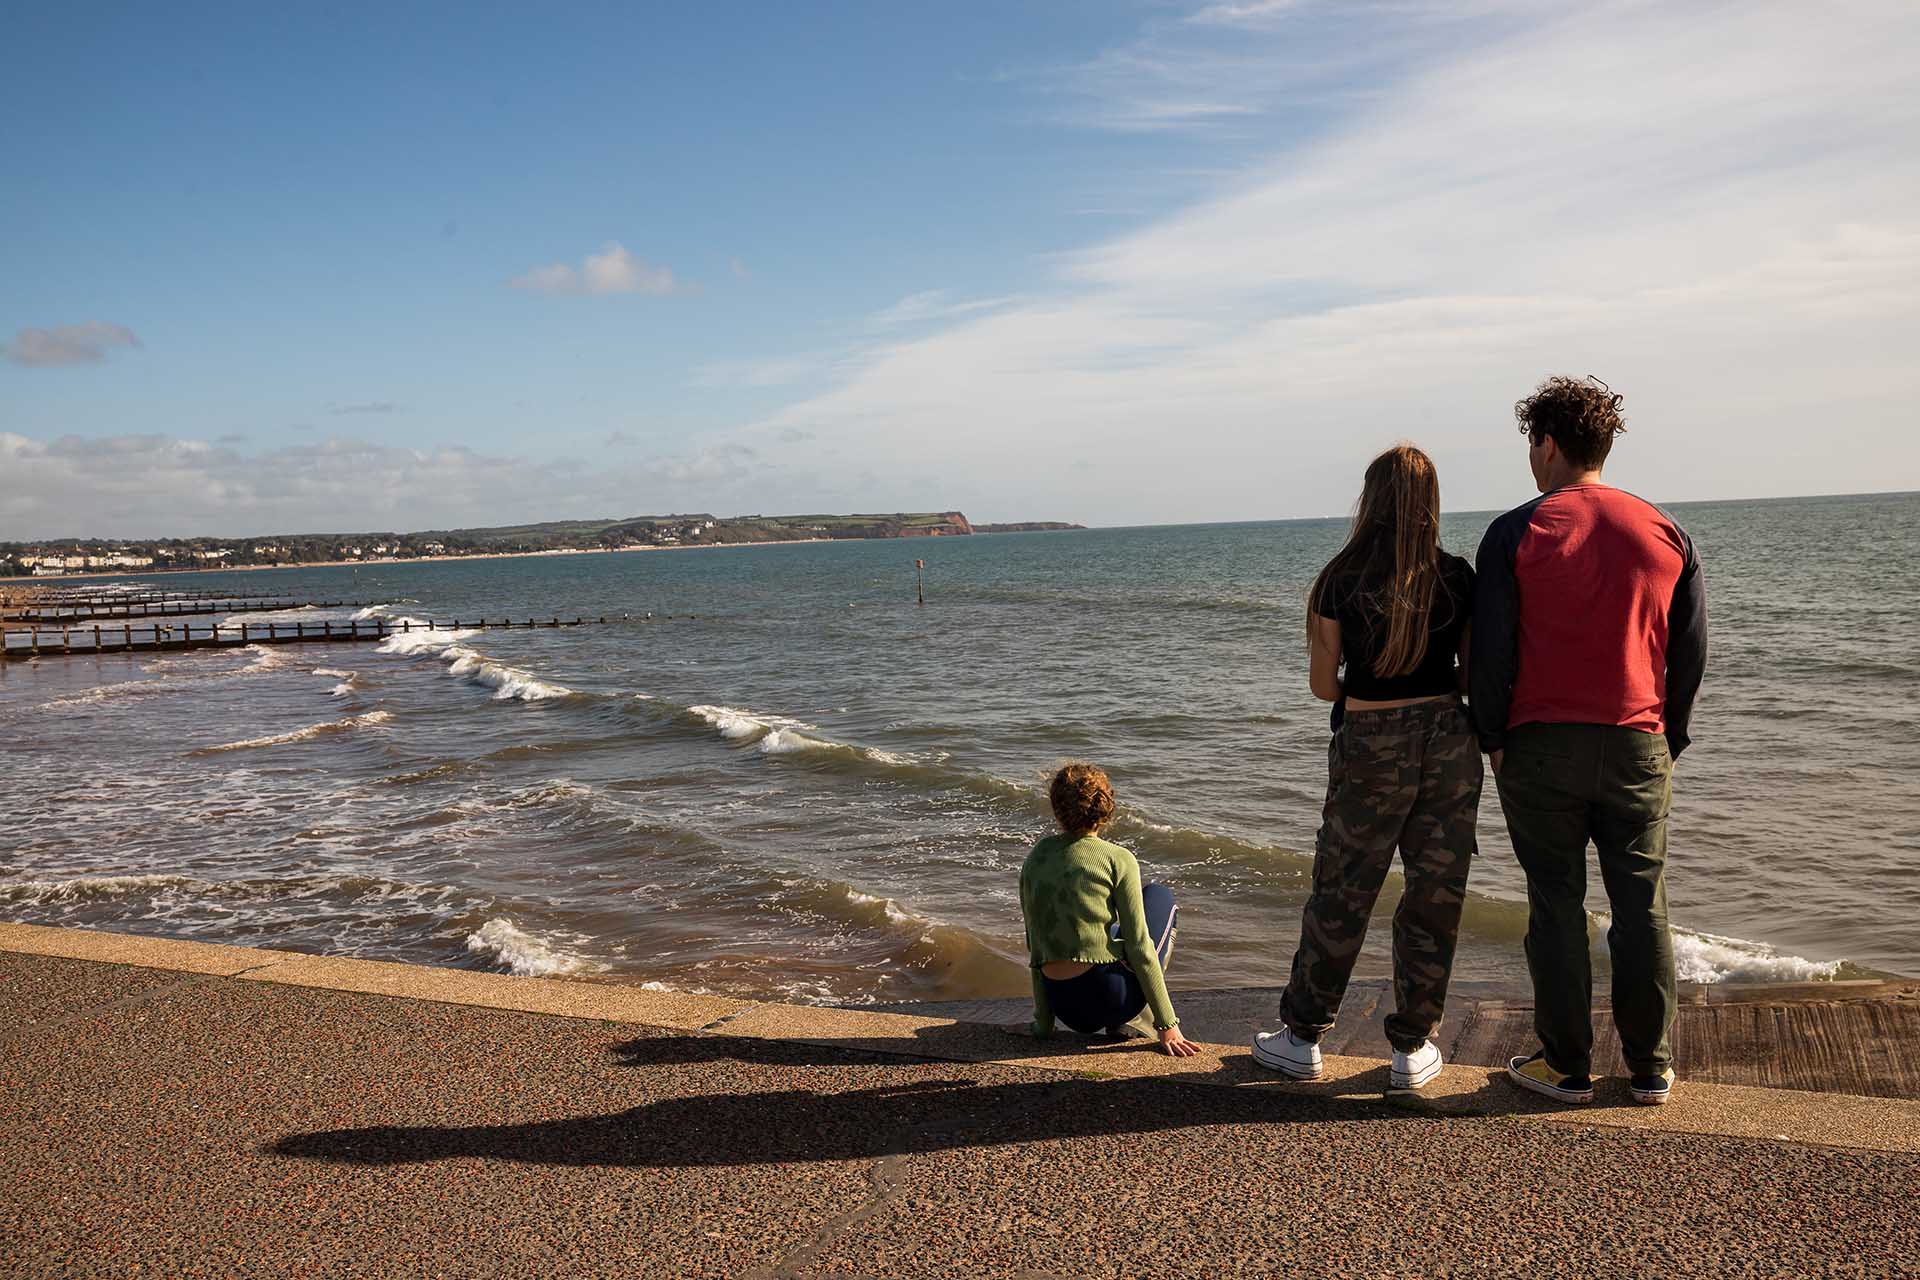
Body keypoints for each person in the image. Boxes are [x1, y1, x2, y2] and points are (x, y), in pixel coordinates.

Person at [1471, 376, 1706, 1107]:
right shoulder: (1664, 530)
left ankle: (1566, 1066)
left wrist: (1493, 734)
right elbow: (1690, 651)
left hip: (1541, 746)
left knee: (1556, 903)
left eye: (1531, 445)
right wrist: (1671, 734)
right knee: (1643, 905)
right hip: (1638, 740)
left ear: (1546, 444)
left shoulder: (1516, 531)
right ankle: (1649, 1067)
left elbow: (1493, 650)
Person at [1252, 445, 1480, 1094]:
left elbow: (1326, 688)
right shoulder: (1459, 579)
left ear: (1370, 499)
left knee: (1342, 888)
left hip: (1370, 739)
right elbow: (1472, 675)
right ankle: (1413, 1047)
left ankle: (1301, 1038)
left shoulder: (1338, 581)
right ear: (1431, 502)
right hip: (1448, 739)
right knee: (1435, 891)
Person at [1020, 762, 1199, 1057]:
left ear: (1056, 808)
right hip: (1111, 999)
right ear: (1107, 807)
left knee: (1108, 930)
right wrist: (1168, 1024)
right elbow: (1140, 946)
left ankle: (1118, 1016)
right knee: (1159, 897)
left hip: (1066, 1009)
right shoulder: (1118, 858)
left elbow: (1036, 944)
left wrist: (1043, 1025)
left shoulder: (1036, 857)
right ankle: (1136, 1019)